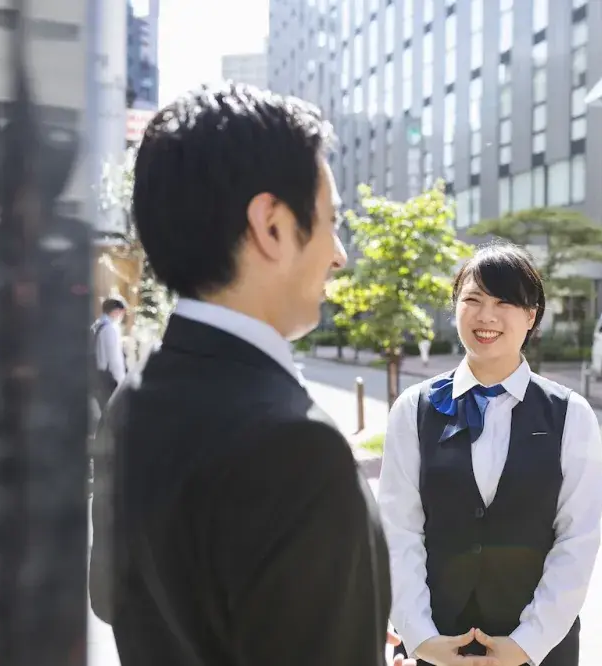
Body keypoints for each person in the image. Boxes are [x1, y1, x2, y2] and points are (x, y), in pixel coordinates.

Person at [89, 83, 403, 666]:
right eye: (331, 220)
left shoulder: (131, 403)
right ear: (273, 225)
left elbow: (113, 602)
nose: (339, 254)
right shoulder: (297, 448)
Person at [380, 242, 602, 666]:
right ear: (455, 308)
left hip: (541, 650)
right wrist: (420, 635)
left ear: (531, 315)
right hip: (442, 645)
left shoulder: (571, 414)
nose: (486, 316)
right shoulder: (414, 409)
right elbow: (398, 530)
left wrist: (528, 642)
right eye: (473, 300)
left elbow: (578, 539)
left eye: (505, 302)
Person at [91, 296, 127, 414]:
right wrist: (121, 381)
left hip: (96, 375)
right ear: (116, 311)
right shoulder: (110, 329)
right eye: (122, 313)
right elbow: (114, 359)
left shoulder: (97, 325)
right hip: (109, 378)